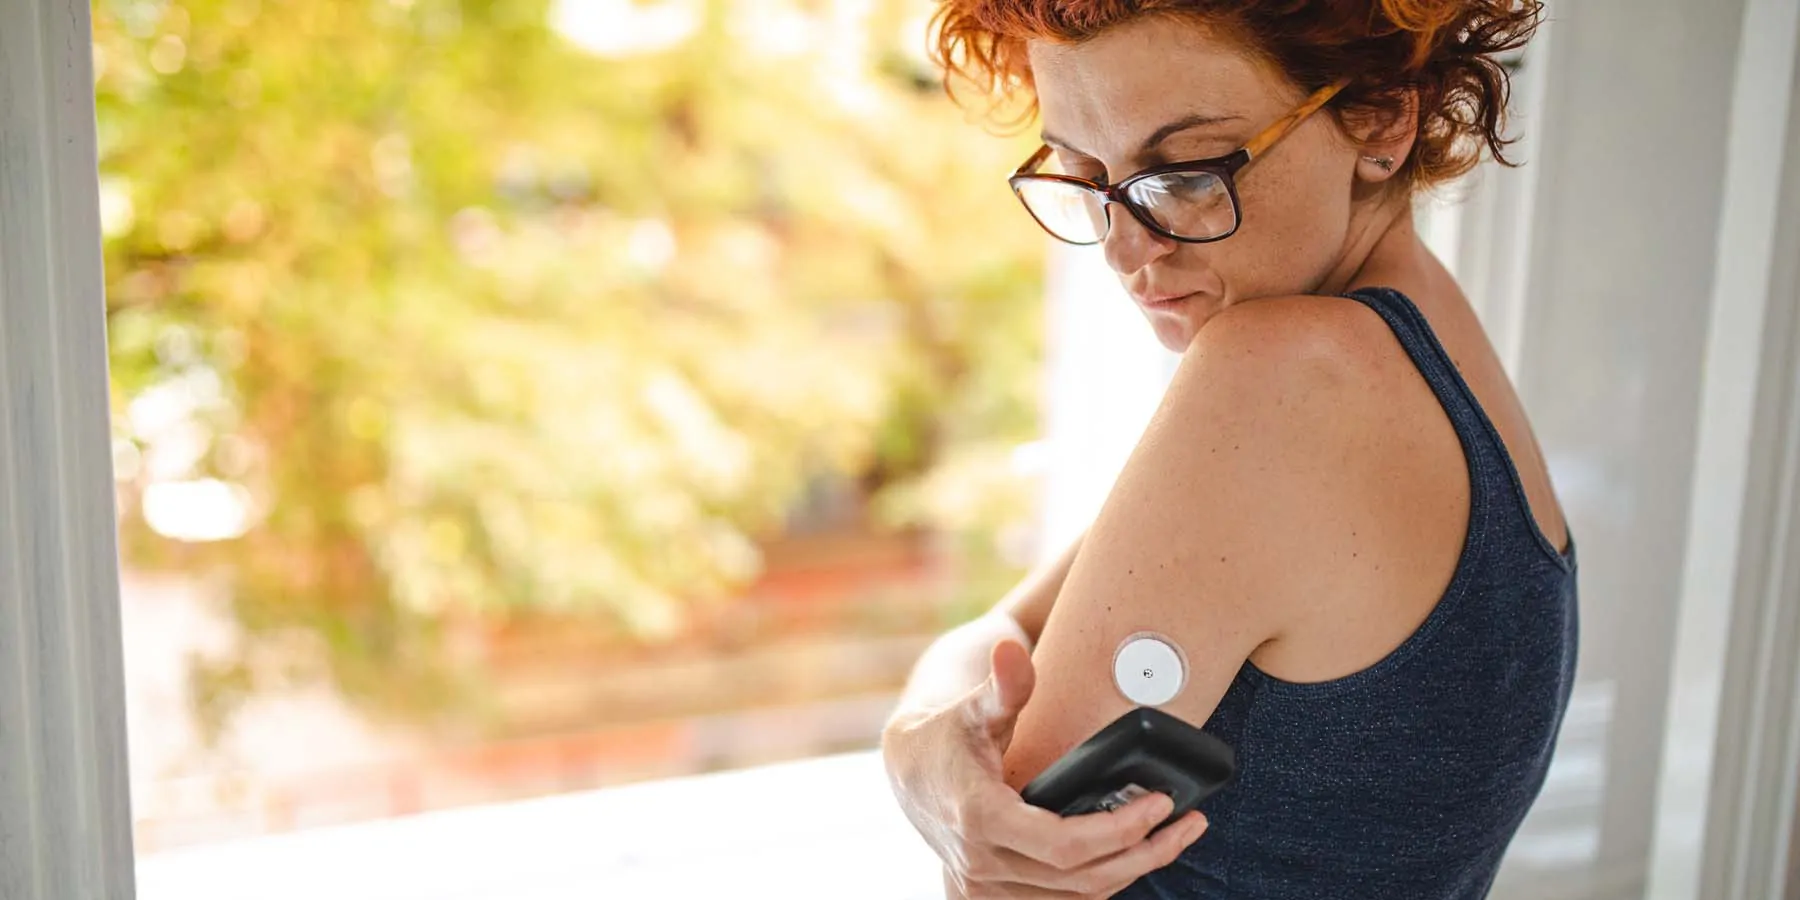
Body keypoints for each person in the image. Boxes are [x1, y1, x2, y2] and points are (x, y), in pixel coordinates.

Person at [878, 2, 1579, 898]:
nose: (1126, 250)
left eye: (1184, 172)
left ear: (1382, 114)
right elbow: (1003, 635)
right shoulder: (1431, 334)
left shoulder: (1285, 376)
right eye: (1087, 175)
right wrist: (919, 756)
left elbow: (1003, 884)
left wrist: (931, 769)